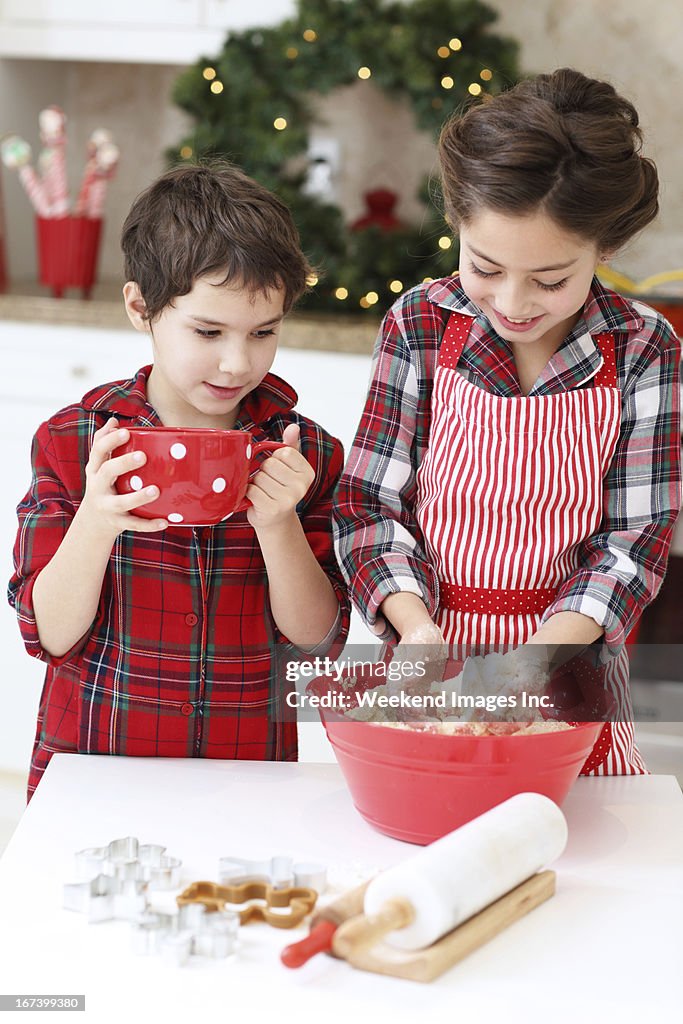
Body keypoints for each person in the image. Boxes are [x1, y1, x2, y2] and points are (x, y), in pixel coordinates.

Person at [333, 68, 681, 774]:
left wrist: (540, 656)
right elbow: (370, 507)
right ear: (456, 223)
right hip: (426, 653)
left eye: (551, 279)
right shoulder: (421, 324)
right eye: (484, 266)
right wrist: (415, 629)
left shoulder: (643, 349)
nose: (513, 301)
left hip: (568, 659)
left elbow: (635, 539)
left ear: (603, 249)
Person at [9, 162, 350, 798]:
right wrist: (96, 519)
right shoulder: (74, 442)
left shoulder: (305, 456)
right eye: (208, 330)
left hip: (245, 778)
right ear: (142, 307)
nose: (236, 361)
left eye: (263, 332)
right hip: (93, 767)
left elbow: (318, 646)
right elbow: (48, 635)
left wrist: (278, 526)